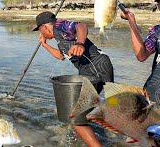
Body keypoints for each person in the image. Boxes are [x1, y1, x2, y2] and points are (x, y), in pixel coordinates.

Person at [33, 11, 114, 147]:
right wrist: (45, 45)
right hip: (90, 68)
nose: (41, 34)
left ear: (44, 27)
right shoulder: (60, 39)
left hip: (95, 66)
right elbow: (61, 56)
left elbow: (81, 25)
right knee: (81, 111)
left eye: (39, 30)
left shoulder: (58, 26)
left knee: (75, 116)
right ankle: (83, 138)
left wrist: (80, 44)